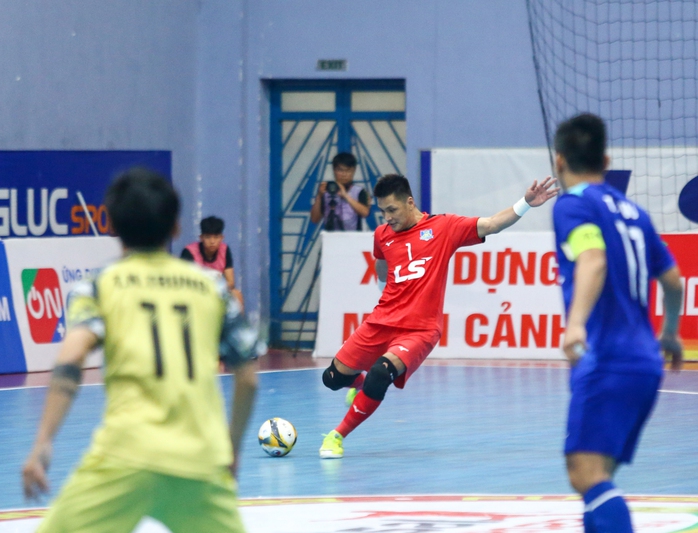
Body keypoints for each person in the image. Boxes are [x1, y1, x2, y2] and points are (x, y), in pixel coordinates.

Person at [22, 168, 263, 533]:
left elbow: (70, 360)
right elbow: (248, 379)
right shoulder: (212, 287)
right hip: (199, 463)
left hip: (124, 457)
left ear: (113, 228)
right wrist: (230, 449)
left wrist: (43, 443)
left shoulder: (100, 285)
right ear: (176, 228)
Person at [319, 173, 559, 458]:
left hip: (419, 330)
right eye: (382, 211)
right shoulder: (382, 235)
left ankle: (336, 436)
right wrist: (388, 291)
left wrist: (526, 203)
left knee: (380, 374)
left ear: (410, 203)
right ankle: (358, 385)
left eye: (392, 210)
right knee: (331, 378)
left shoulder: (443, 227)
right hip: (381, 320)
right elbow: (382, 265)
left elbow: (492, 224)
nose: (387, 218)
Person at [552, 113, 683, 533]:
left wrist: (575, 325)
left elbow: (593, 259)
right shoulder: (635, 212)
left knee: (585, 474)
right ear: (606, 160)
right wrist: (670, 334)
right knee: (597, 473)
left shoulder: (572, 204)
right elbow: (674, 281)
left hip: (608, 357)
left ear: (559, 162)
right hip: (645, 360)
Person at [181, 215, 244, 309]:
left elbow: (230, 282)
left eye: (216, 237)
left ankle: (239, 324)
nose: (212, 241)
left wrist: (216, 290)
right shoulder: (189, 252)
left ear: (222, 238)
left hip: (217, 292)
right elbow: (183, 282)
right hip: (195, 292)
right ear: (201, 238)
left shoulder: (225, 250)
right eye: (208, 237)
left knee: (236, 294)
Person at [310, 152, 371, 231]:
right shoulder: (326, 191)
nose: (344, 174)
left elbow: (365, 213)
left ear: (353, 171)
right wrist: (319, 196)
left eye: (348, 171)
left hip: (353, 239)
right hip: (330, 239)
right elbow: (314, 219)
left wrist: (345, 196)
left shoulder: (359, 192)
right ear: (334, 170)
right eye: (340, 170)